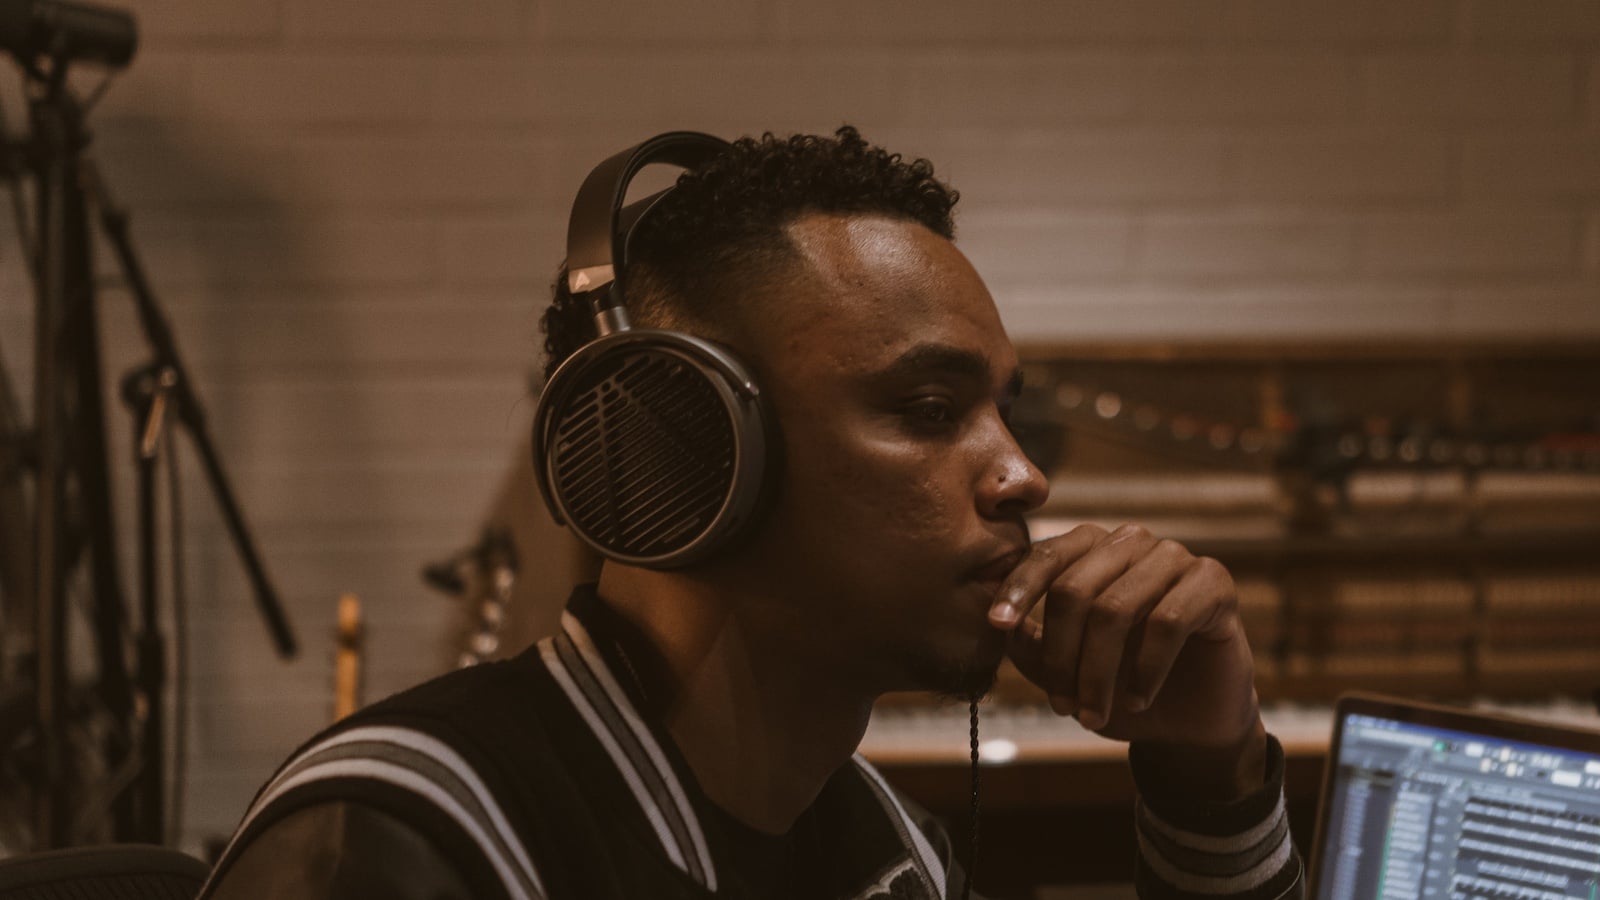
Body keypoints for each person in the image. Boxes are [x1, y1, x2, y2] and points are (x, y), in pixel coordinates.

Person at [200, 127, 1302, 900]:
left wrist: (1210, 772)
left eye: (1004, 415)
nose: (1022, 478)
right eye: (928, 410)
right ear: (686, 451)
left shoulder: (883, 851)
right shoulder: (409, 838)